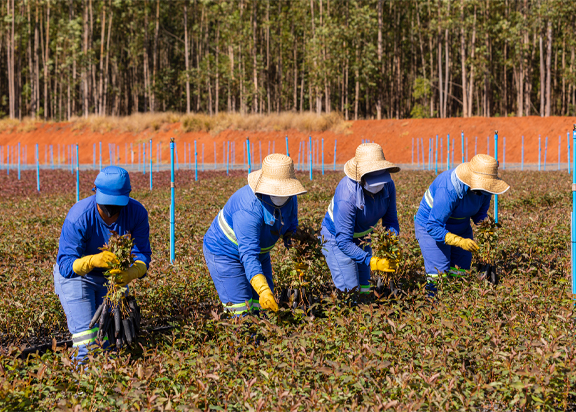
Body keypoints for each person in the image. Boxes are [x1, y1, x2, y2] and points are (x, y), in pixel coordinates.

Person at [53, 166, 151, 361]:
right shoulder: (79, 216)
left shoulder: (137, 213)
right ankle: (82, 389)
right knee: (88, 342)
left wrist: (132, 272)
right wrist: (92, 260)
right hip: (77, 278)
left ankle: (105, 388)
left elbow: (142, 255)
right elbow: (65, 265)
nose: (110, 212)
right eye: (106, 205)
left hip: (111, 281)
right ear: (95, 192)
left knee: (109, 341)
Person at [203, 154, 306, 314]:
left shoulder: (290, 199)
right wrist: (263, 289)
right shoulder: (249, 208)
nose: (281, 193)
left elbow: (291, 227)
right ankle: (245, 336)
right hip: (225, 253)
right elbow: (248, 254)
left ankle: (260, 338)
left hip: (260, 253)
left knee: (262, 309)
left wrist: (297, 254)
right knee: (241, 310)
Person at [414, 154, 509, 292]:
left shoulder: (485, 191)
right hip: (431, 228)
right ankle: (434, 306)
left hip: (461, 226)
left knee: (461, 272)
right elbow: (433, 225)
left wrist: (486, 228)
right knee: (439, 275)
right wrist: (458, 241)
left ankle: (455, 305)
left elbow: (479, 215)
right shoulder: (448, 188)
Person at [321, 143, 401, 294]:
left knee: (365, 283)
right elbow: (344, 241)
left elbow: (390, 221)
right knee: (350, 288)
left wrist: (392, 243)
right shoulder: (347, 195)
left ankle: (364, 311)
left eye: (381, 179)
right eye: (373, 180)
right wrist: (372, 261)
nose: (379, 185)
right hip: (336, 239)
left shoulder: (388, 185)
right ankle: (350, 312)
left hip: (363, 236)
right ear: (361, 178)